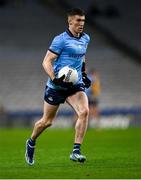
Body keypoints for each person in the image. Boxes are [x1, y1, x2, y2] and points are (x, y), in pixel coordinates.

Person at [25, 8, 91, 165]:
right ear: (70, 21)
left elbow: (82, 57)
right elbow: (46, 61)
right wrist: (55, 79)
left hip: (74, 85)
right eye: (78, 21)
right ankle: (31, 141)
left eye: (83, 21)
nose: (81, 24)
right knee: (47, 122)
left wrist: (83, 73)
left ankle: (76, 151)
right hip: (56, 86)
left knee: (84, 111)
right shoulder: (60, 40)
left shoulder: (86, 38)